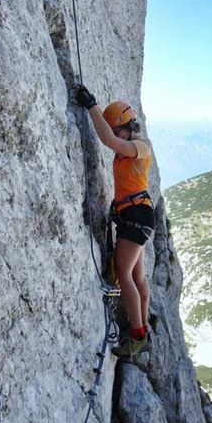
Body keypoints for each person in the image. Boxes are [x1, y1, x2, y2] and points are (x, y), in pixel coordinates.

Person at [76, 85, 155, 357]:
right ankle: (142, 325)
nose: (116, 134)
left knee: (123, 273)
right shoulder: (132, 147)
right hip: (135, 214)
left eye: (117, 129)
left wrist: (91, 106)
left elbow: (109, 140)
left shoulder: (140, 147)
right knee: (136, 275)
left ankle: (137, 334)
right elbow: (113, 140)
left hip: (135, 215)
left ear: (125, 127)